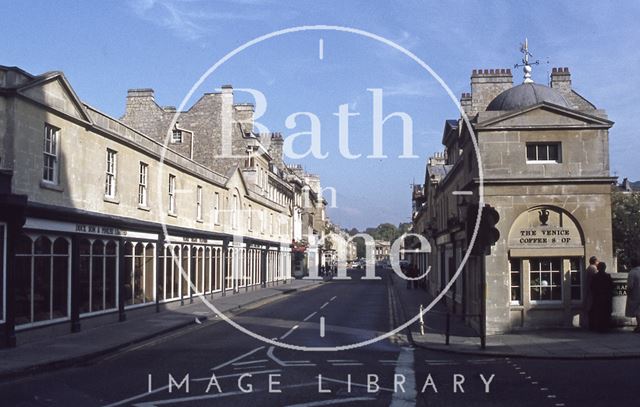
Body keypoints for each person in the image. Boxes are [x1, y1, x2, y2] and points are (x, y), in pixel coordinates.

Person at [589, 262, 613, 333]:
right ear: (604, 268)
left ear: (598, 268)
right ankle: (605, 327)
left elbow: (592, 287)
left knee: (598, 313)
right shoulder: (607, 276)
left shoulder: (594, 276)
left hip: (597, 297)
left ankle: (599, 327)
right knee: (606, 313)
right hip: (606, 297)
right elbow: (611, 287)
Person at [625, 257, 640, 333]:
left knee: (637, 311)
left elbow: (630, 286)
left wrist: (628, 293)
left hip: (636, 294)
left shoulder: (632, 272)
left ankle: (639, 326)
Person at [583, 256, 599, 328]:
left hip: (589, 290)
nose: (598, 262)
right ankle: (592, 324)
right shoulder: (593, 268)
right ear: (594, 261)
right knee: (592, 307)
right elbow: (596, 277)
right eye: (597, 261)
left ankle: (591, 323)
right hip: (592, 291)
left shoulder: (589, 268)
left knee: (590, 307)